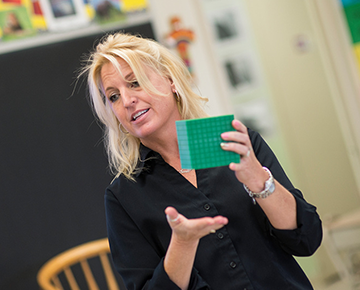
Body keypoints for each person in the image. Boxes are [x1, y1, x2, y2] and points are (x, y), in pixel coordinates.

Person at [82, 32, 322, 290]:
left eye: (135, 82)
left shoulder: (237, 145)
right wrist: (182, 244)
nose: (127, 101)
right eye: (114, 96)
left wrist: (260, 182)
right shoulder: (123, 196)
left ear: (171, 80)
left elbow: (306, 239)